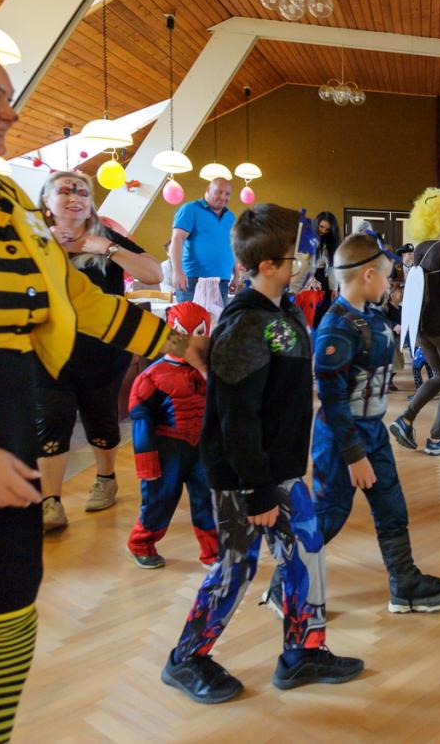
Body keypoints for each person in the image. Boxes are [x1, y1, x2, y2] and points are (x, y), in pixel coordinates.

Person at [0, 38, 183, 741]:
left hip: (7, 430)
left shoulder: (7, 202)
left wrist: (174, 344)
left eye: (8, 98)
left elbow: (75, 300)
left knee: (5, 605)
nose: (10, 113)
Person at [162, 203, 363, 704]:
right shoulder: (248, 324)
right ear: (268, 265)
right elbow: (236, 417)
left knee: (306, 550)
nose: (301, 263)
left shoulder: (281, 311)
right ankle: (186, 658)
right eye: (294, 257)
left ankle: (303, 651)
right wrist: (256, 490)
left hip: (281, 468)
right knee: (236, 567)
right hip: (244, 475)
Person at [266, 233, 440, 618]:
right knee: (329, 515)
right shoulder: (336, 328)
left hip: (372, 432)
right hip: (341, 440)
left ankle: (404, 584)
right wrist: (354, 456)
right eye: (387, 276)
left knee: (391, 508)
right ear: (368, 275)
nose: (390, 283)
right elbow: (333, 399)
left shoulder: (368, 315)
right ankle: (285, 586)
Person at [35, 170, 163, 532]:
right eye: (65, 191)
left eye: (82, 193)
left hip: (103, 353)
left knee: (101, 417)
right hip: (48, 352)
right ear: (46, 201)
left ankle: (106, 479)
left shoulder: (105, 236)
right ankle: (50, 502)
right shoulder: (31, 239)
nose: (75, 197)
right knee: (51, 421)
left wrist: (105, 248)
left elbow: (153, 274)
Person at [126, 302, 217, 569]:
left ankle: (213, 550)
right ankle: (141, 543)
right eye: (182, 333)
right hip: (168, 449)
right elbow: (141, 420)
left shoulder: (213, 370)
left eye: (197, 332)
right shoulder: (152, 377)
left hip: (202, 447)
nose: (189, 341)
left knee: (208, 498)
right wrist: (146, 462)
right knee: (160, 500)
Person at [390, 188, 440, 456]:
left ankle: (406, 418)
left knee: (439, 376)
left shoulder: (420, 248)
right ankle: (436, 439)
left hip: (422, 327)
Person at [170, 177, 236, 305]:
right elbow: (177, 239)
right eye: (219, 192)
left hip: (222, 281)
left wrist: (236, 275)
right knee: (190, 318)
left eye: (227, 194)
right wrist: (177, 271)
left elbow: (234, 246)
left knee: (217, 318)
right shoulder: (190, 209)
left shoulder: (230, 217)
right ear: (208, 189)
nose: (223, 197)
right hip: (193, 280)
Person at [309, 210, 339, 327]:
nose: (323, 231)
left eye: (327, 229)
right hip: (309, 277)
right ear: (316, 223)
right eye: (321, 227)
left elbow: (332, 266)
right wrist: (309, 279)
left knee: (324, 314)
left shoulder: (330, 242)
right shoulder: (307, 237)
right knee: (310, 313)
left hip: (324, 278)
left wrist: (334, 288)